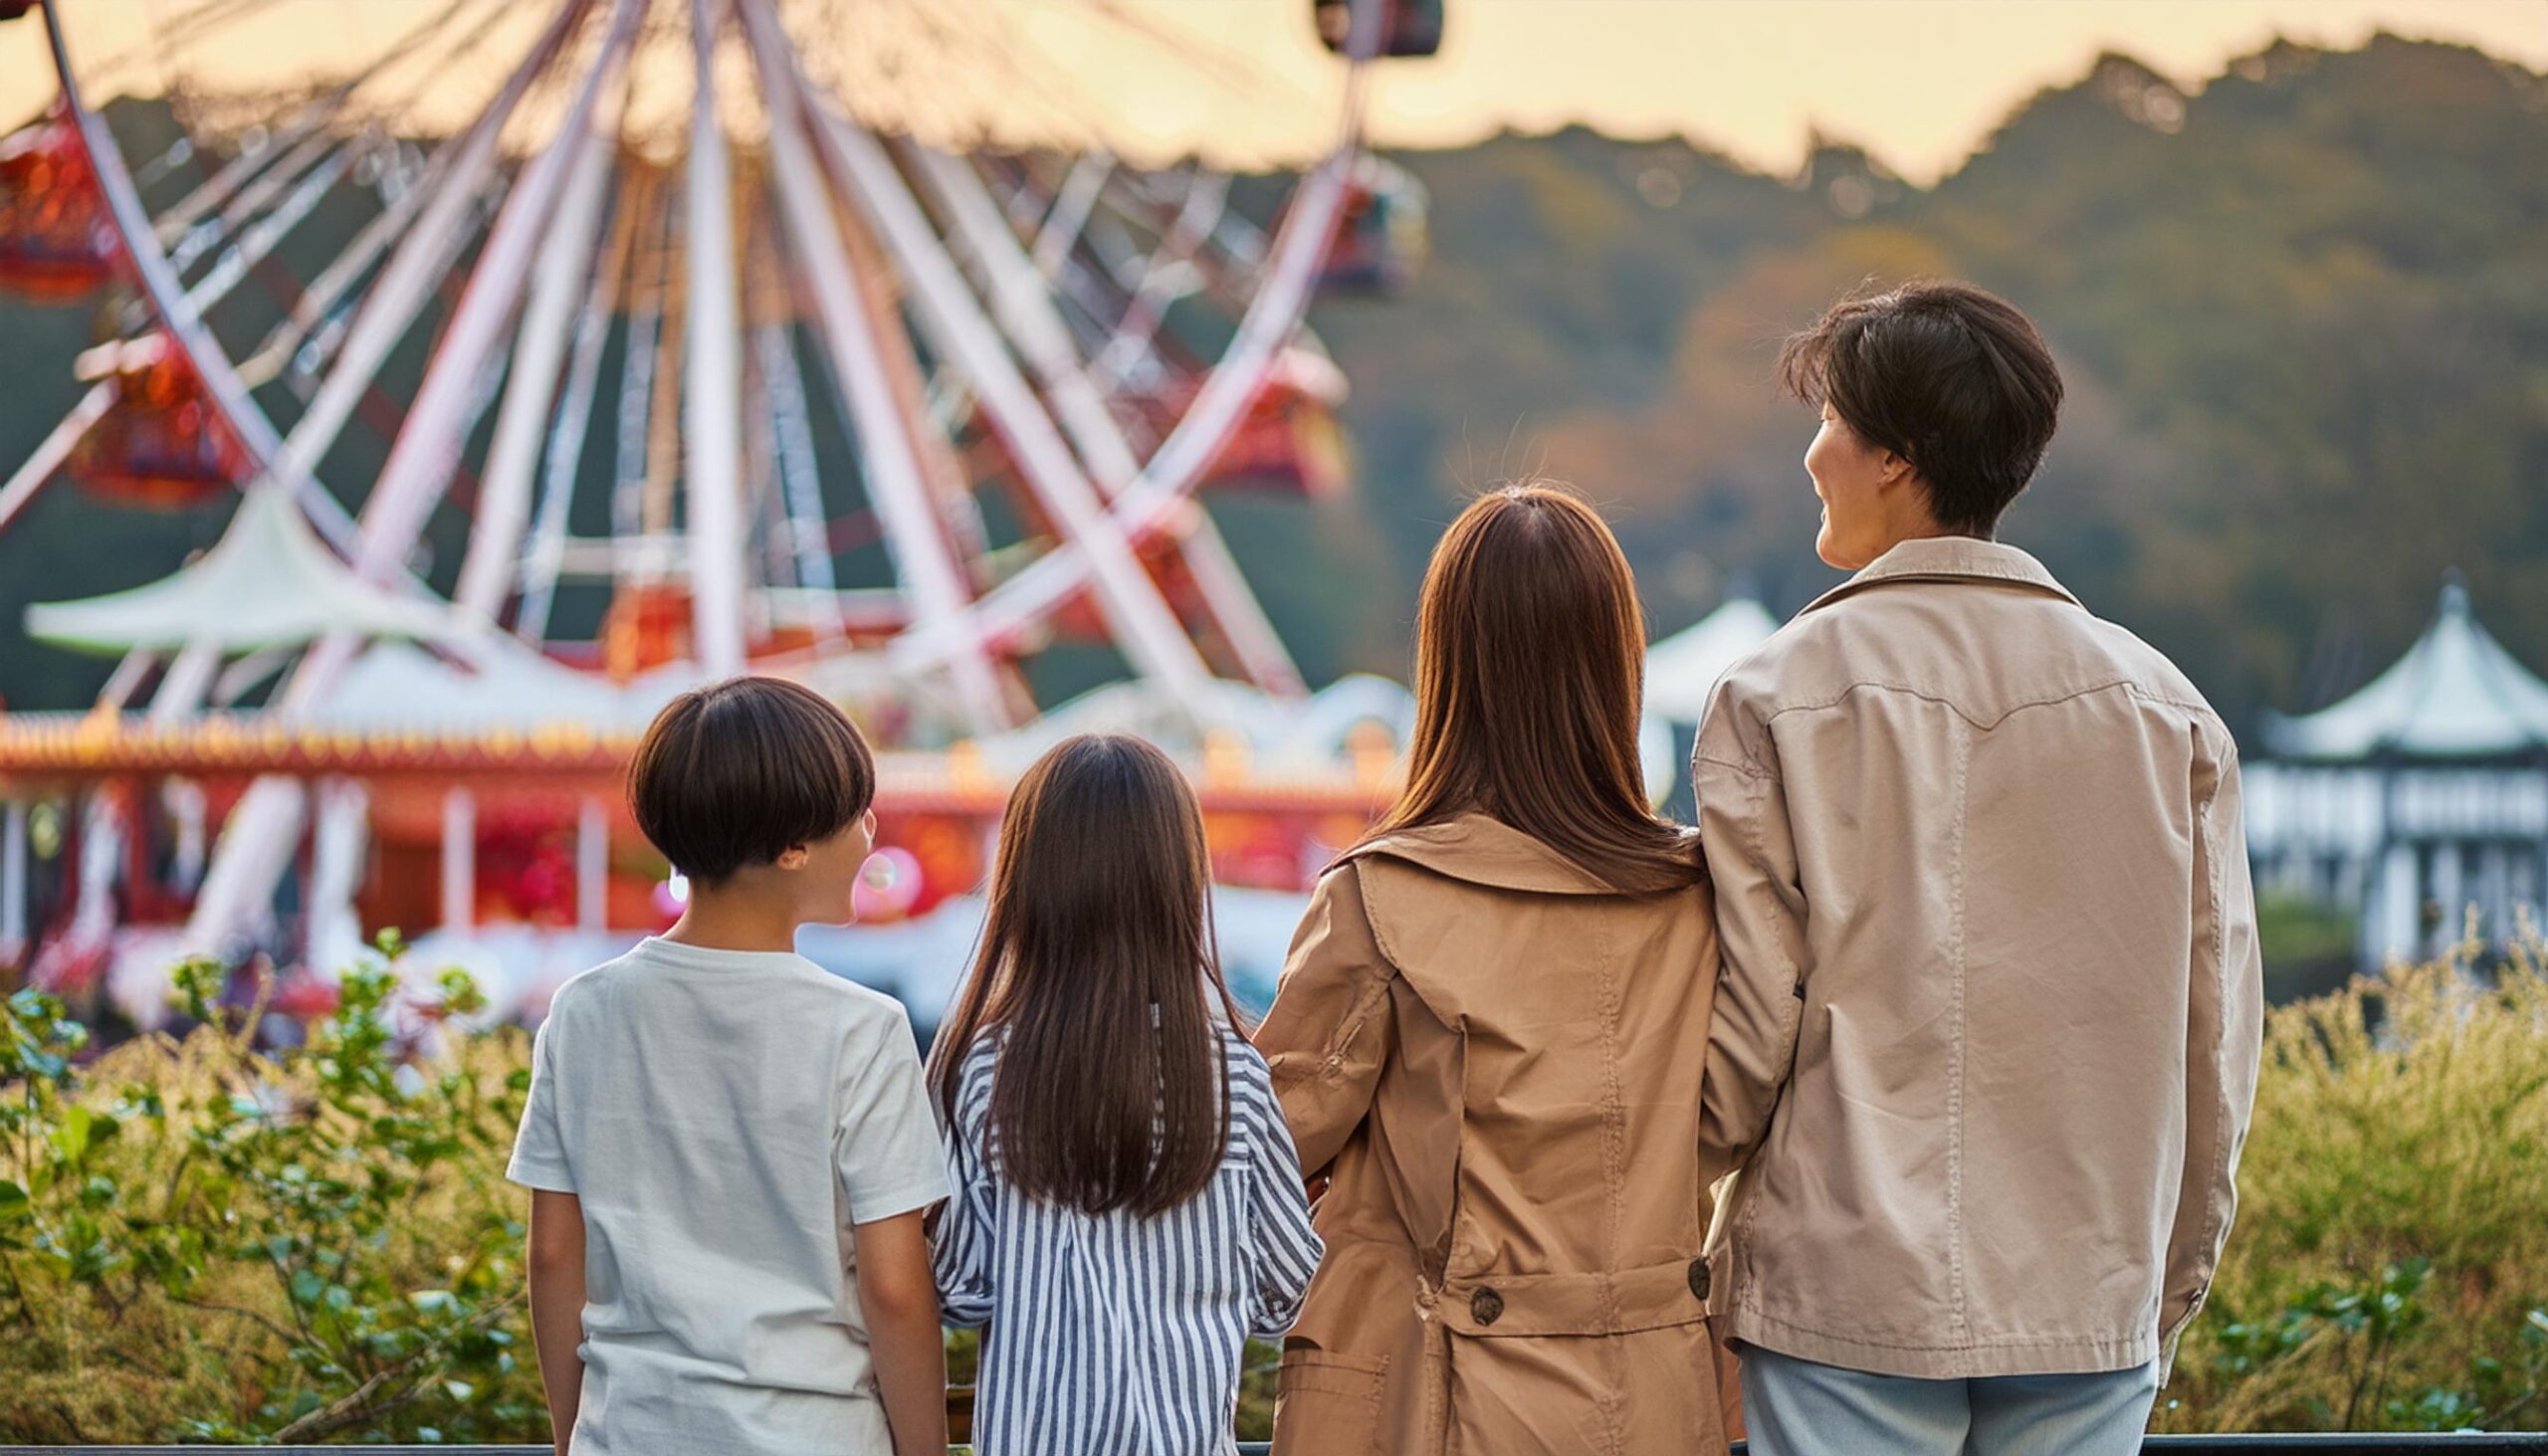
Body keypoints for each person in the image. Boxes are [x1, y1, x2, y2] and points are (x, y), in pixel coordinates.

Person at [1692, 280, 2264, 1455]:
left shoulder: (1773, 696)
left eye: (1829, 424)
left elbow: (1746, 1034)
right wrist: (2162, 1288)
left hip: (1839, 1291)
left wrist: (1668, 1245)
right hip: (2085, 1289)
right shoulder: (2167, 713)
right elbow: (2216, 1055)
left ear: (1894, 457)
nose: (1813, 456)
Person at [1255, 483, 1736, 1455]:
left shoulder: (1381, 897)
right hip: (1660, 1394)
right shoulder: (1708, 897)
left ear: (1446, 665)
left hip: (1434, 1400)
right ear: (1617, 662)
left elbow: (1268, 1144)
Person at [510, 677, 949, 1456]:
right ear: (792, 847)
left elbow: (552, 1255)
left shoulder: (583, 1012)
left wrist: (576, 1439)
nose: (872, 829)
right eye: (858, 812)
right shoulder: (864, 1031)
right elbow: (892, 1285)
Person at [929, 733, 1322, 1456]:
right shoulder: (1232, 1071)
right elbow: (1284, 1294)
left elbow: (961, 1287)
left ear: (1025, 883)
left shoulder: (986, 1068)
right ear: (1179, 883)